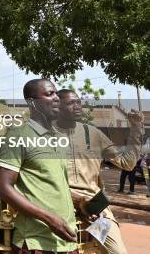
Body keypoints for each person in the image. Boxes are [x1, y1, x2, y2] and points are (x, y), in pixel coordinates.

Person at [56, 89, 143, 254]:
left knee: (116, 251)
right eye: (70, 103)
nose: (77, 107)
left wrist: (136, 128)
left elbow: (127, 163)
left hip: (94, 208)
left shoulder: (93, 134)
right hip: (58, 206)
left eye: (78, 102)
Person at [0, 79, 78, 254]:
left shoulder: (58, 137)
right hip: (36, 241)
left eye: (56, 93)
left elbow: (56, 185)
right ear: (32, 102)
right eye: (49, 94)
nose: (57, 98)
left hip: (68, 239)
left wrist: (83, 205)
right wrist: (50, 220)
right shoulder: (17, 136)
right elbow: (4, 188)